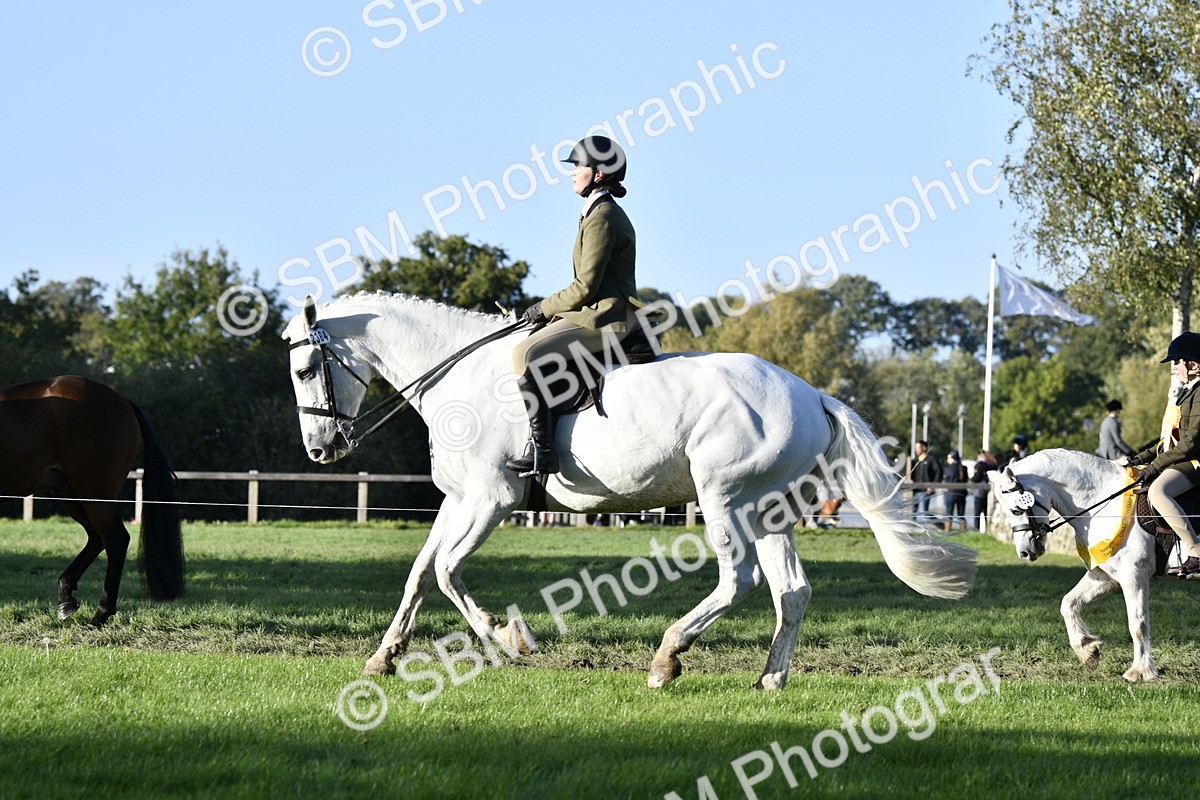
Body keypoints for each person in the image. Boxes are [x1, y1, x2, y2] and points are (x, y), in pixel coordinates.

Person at [506, 135, 650, 476]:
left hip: (606, 317)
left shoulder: (603, 217)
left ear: (599, 174)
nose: (572, 172)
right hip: (596, 310)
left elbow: (585, 287)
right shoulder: (595, 213)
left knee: (523, 353)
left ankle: (543, 451)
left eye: (578, 166)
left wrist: (543, 308)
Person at [1127, 331, 1200, 579]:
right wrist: (1140, 458)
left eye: (1177, 361)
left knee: (1158, 491)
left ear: (1193, 364)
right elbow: (1168, 441)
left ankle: (1196, 550)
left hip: (1195, 462)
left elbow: (1190, 442)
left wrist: (1155, 466)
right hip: (1183, 458)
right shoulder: (1188, 392)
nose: (1174, 367)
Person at [908, 440, 942, 522]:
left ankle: (940, 524)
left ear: (923, 448)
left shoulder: (931, 459)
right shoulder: (916, 459)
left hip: (925, 491)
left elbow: (939, 472)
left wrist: (933, 485)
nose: (916, 449)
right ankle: (912, 527)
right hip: (915, 490)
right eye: (916, 448)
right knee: (912, 513)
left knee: (924, 513)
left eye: (918, 447)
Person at [969, 449, 997, 530]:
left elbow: (976, 478)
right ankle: (988, 530)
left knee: (977, 514)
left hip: (980, 492)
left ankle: (976, 530)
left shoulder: (980, 465)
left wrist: (971, 479)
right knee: (987, 514)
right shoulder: (992, 464)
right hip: (989, 493)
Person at [942, 450, 969, 531]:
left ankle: (947, 529)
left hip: (951, 493)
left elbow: (946, 481)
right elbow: (966, 480)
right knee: (961, 514)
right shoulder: (964, 468)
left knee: (949, 513)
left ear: (952, 458)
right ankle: (963, 529)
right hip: (961, 493)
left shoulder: (948, 469)